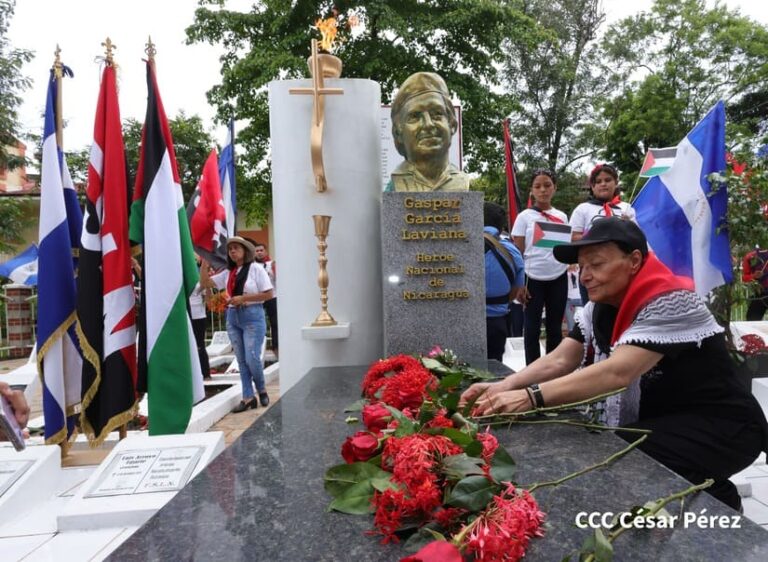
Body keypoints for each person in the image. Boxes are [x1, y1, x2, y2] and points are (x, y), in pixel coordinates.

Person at [462, 218, 768, 511]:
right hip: (667, 418)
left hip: (724, 425)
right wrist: (503, 386)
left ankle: (720, 505)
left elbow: (617, 372)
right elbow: (561, 357)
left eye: (596, 264)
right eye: (582, 267)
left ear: (634, 261)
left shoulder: (671, 301)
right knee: (614, 451)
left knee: (623, 455)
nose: (584, 276)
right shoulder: (599, 308)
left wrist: (531, 397)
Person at [200, 237, 274, 412]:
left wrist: (244, 298)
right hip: (233, 316)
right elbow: (205, 283)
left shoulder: (256, 269)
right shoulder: (228, 272)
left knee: (252, 358)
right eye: (230, 249)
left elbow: (269, 294)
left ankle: (261, 388)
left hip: (252, 315)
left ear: (245, 251)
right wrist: (204, 264)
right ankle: (248, 397)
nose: (232, 251)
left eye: (236, 248)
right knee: (241, 360)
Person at [511, 169, 570, 365]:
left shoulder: (561, 216)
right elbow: (517, 251)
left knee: (554, 327)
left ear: (555, 188)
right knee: (532, 327)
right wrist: (519, 284)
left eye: (547, 185)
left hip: (558, 277)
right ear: (531, 190)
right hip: (532, 278)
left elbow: (565, 247)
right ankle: (532, 371)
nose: (543, 190)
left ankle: (552, 370)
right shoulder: (524, 217)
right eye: (538, 186)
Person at [385, 72, 470, 192]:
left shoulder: (461, 181)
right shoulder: (395, 185)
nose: (428, 124)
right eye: (414, 116)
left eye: (437, 114)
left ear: (452, 125)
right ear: (398, 133)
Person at [570, 163, 636, 303]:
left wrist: (627, 226)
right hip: (592, 268)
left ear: (616, 183)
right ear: (592, 187)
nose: (603, 184)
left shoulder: (626, 208)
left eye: (607, 180)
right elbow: (572, 238)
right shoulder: (583, 209)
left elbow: (636, 239)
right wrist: (597, 238)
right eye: (598, 182)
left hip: (620, 269)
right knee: (593, 309)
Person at [483, 202, 525, 362]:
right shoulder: (513, 251)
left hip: (463, 322)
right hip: (498, 322)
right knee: (494, 373)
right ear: (501, 227)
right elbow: (516, 291)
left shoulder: (461, 246)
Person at [254, 242, 279, 358]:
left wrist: (274, 271)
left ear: (266, 251)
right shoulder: (252, 266)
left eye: (261, 250)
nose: (259, 252)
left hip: (272, 296)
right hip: (257, 297)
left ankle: (276, 347)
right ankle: (256, 347)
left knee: (275, 322)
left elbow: (278, 279)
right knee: (256, 322)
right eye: (257, 251)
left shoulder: (271, 264)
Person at [189, 269, 211, 381]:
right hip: (186, 317)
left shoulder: (199, 282)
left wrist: (207, 287)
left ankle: (205, 373)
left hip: (198, 317)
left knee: (199, 346)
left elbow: (208, 300)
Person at [743, 246, 768, 321]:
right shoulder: (750, 257)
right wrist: (754, 276)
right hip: (760, 293)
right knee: (752, 319)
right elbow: (744, 278)